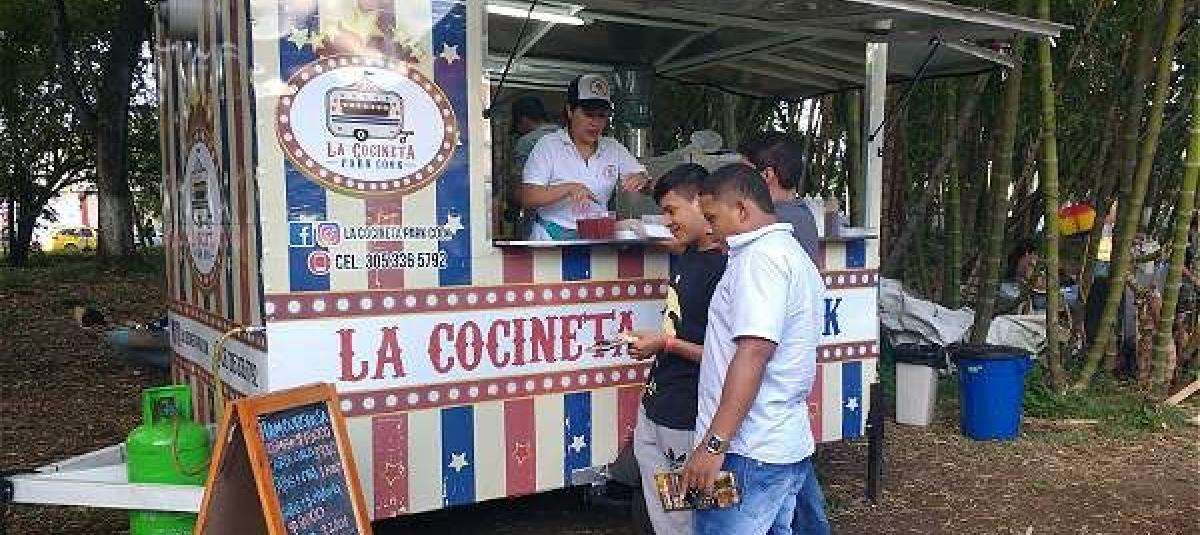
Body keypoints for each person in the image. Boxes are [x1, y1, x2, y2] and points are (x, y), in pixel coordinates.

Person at [683, 163, 829, 535]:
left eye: (713, 218)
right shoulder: (791, 254)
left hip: (747, 450)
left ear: (742, 210)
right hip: (777, 444)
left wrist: (713, 446)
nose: (710, 229)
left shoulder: (759, 261)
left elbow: (753, 353)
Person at [626, 164, 727, 535]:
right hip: (658, 404)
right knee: (666, 512)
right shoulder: (689, 255)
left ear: (702, 203)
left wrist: (665, 343)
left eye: (671, 211)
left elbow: (727, 358)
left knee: (697, 514)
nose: (667, 222)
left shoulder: (727, 271)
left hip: (690, 415)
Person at [519, 74, 648, 240]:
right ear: (570, 111)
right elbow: (528, 197)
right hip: (551, 236)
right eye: (588, 114)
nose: (595, 123)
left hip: (596, 236)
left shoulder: (612, 148)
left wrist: (642, 179)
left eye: (602, 116)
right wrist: (569, 188)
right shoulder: (549, 145)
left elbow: (646, 184)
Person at [737, 132, 820, 262]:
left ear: (767, 175)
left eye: (743, 173)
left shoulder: (771, 221)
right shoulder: (801, 212)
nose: (737, 181)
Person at [507, 96, 558, 237]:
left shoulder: (527, 142)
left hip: (538, 222)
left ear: (523, 120)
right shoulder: (567, 136)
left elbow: (519, 189)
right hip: (569, 221)